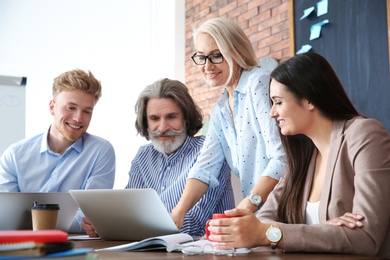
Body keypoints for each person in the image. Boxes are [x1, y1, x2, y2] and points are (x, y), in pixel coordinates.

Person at [205, 52, 390, 257]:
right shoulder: (301, 156)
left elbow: (366, 237)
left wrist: (271, 233)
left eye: (278, 102)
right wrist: (327, 231)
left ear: (309, 99)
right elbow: (265, 218)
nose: (272, 112)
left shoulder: (364, 134)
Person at [171, 17, 286, 230]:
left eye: (216, 56)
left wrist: (247, 205)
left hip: (282, 211)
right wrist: (178, 213)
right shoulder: (220, 109)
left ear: (237, 51)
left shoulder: (258, 83)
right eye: (201, 57)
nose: (207, 66)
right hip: (255, 216)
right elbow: (204, 168)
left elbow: (281, 157)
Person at [83, 78, 235, 237]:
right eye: (154, 118)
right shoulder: (143, 156)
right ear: (146, 121)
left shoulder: (209, 151)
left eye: (171, 117)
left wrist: (128, 226)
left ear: (186, 117)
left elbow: (194, 223)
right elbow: (129, 211)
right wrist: (105, 224)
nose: (162, 128)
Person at [0, 69, 116, 231]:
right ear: (52, 107)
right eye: (71, 107)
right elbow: (6, 217)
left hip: (75, 247)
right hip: (22, 246)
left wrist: (37, 224)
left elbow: (89, 217)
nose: (78, 118)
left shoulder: (101, 151)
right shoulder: (15, 155)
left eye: (87, 111)